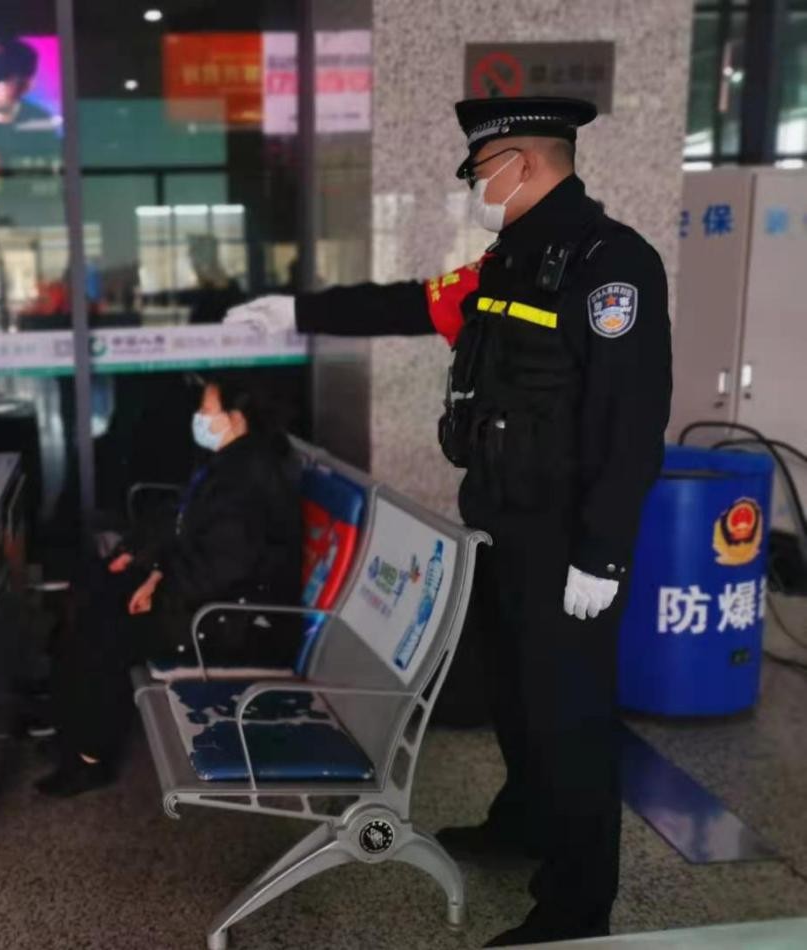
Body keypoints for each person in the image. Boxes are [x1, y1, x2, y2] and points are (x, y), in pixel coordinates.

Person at [224, 97, 673, 947]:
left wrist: (604, 553)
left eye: (479, 170)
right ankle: (523, 822)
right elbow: (410, 303)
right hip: (497, 521)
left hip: (565, 539)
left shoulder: (610, 265)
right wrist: (296, 312)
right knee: (513, 692)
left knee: (568, 716)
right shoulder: (511, 261)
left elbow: (631, 420)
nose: (474, 186)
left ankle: (577, 904)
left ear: (523, 164)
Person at [36, 377, 303, 798]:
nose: (199, 418)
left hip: (230, 621)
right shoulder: (231, 462)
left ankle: (89, 756)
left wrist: (159, 582)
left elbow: (224, 567)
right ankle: (69, 721)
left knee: (104, 626)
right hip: (207, 597)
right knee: (94, 586)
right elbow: (184, 519)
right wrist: (142, 556)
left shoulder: (248, 480)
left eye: (207, 411)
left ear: (236, 419)